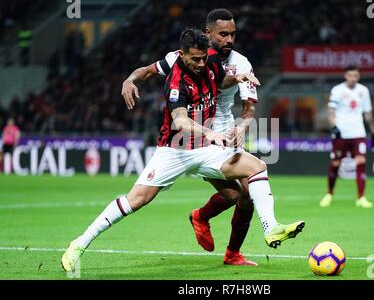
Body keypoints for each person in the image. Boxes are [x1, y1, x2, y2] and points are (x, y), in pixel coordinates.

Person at [61, 28, 305, 272]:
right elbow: (180, 121)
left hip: (207, 149)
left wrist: (239, 77)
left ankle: (271, 227)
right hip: (174, 150)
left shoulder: (210, 60)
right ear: (181, 54)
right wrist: (209, 132)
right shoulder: (176, 82)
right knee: (136, 200)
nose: (201, 64)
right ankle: (78, 245)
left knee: (257, 167)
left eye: (203, 58)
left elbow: (220, 80)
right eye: (195, 59)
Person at [122, 8, 260, 266]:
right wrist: (129, 79)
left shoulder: (241, 63)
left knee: (244, 196)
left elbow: (249, 108)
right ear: (208, 33)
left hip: (228, 133)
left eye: (233, 34)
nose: (229, 40)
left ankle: (228, 249)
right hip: (199, 137)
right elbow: (148, 70)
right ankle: (206, 222)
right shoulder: (182, 58)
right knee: (238, 194)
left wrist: (241, 127)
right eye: (223, 35)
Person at [319, 65, 374, 208]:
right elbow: (331, 111)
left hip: (358, 133)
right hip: (341, 133)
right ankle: (329, 193)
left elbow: (368, 113)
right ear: (345, 76)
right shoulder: (337, 90)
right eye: (350, 75)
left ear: (359, 76)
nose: (352, 78)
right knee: (335, 164)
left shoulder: (363, 91)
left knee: (361, 162)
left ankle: (361, 197)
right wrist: (334, 127)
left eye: (355, 76)